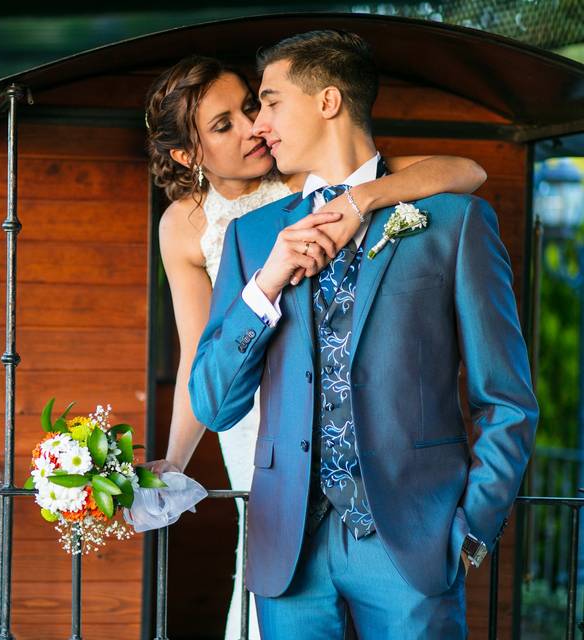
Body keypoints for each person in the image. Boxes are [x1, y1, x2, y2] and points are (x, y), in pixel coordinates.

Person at [188, 30, 538, 638]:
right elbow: (214, 405)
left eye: (269, 101)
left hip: (414, 547)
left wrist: (471, 531)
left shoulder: (451, 223)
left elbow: (505, 399)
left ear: (327, 101)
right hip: (288, 553)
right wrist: (265, 285)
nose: (259, 123)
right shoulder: (252, 240)